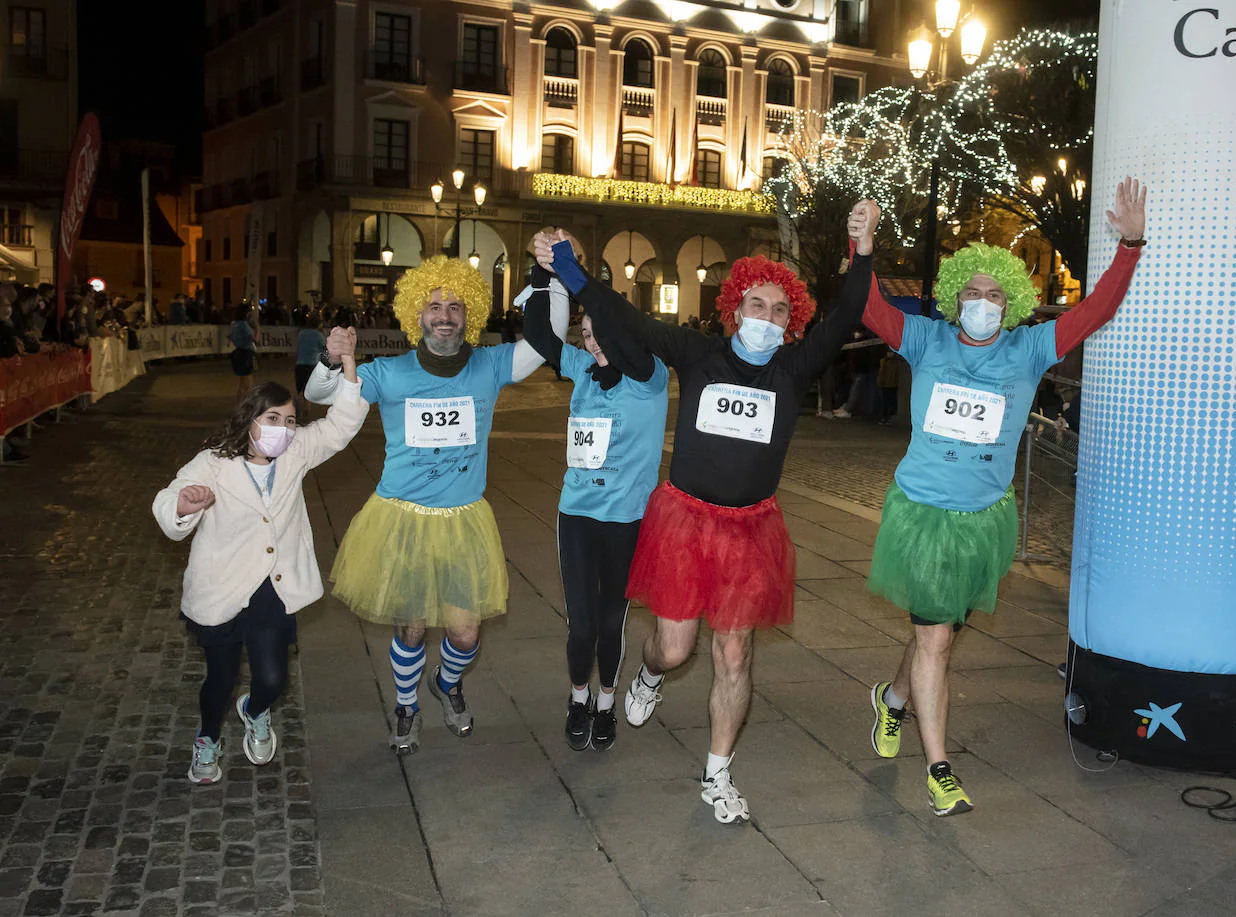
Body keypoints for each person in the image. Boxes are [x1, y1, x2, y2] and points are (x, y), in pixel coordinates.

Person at [534, 199, 878, 823]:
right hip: (685, 522)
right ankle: (648, 675)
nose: (767, 319)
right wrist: (569, 271)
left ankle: (718, 773)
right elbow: (627, 320)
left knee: (735, 654)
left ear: (792, 321)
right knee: (674, 650)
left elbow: (850, 312)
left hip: (751, 531)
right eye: (757, 305)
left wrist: (863, 248)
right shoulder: (698, 355)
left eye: (780, 310)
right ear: (735, 308)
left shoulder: (794, 369)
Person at [862, 177, 1148, 816]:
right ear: (954, 299)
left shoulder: (1027, 349)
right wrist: (863, 249)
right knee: (935, 636)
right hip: (922, 513)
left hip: (984, 521)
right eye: (973, 292)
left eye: (996, 294)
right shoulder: (927, 340)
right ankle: (939, 768)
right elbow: (871, 308)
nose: (984, 302)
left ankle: (892, 701)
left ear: (1011, 302)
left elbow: (1094, 312)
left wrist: (1130, 244)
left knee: (937, 628)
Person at [304, 256, 566, 754]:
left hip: (465, 518)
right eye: (433, 305)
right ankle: (406, 706)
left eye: (454, 306)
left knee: (466, 635)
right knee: (412, 626)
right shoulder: (388, 373)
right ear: (415, 314)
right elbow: (320, 395)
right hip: (401, 518)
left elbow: (549, 338)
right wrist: (330, 358)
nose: (444, 315)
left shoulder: (490, 365)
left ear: (470, 315)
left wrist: (551, 278)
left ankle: (446, 683)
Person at [152, 338, 367, 784]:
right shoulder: (212, 463)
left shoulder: (296, 453)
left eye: (290, 421)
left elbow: (342, 424)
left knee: (271, 680)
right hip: (223, 586)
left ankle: (254, 711)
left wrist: (348, 361)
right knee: (220, 679)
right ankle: (208, 738)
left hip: (273, 584)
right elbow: (170, 498)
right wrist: (184, 505)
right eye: (273, 419)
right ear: (250, 420)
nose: (283, 430)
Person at [519, 267, 670, 752]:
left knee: (611, 623)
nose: (591, 343)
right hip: (578, 515)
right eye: (585, 335)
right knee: (581, 624)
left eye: (599, 333)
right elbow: (540, 335)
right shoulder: (582, 369)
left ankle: (607, 704)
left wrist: (581, 280)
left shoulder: (649, 378)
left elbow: (627, 347)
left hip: (626, 520)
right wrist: (542, 278)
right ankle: (578, 697)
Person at [294, 315, 327, 420]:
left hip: (300, 364)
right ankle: (306, 412)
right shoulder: (318, 335)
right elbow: (325, 348)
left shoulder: (301, 333)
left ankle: (299, 410)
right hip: (312, 365)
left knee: (301, 390)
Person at [228, 305, 258, 401]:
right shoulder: (244, 325)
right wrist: (257, 329)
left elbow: (231, 337)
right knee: (248, 385)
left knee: (242, 385)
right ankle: (245, 407)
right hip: (246, 354)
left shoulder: (234, 324)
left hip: (238, 353)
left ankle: (239, 405)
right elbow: (253, 339)